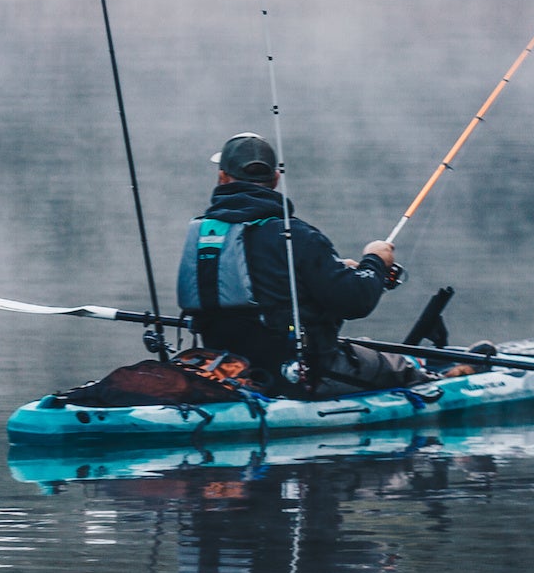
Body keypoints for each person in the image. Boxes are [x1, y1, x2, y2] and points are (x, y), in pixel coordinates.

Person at [177, 133, 425, 396]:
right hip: (298, 375)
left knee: (366, 349)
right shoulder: (295, 236)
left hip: (221, 370)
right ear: (275, 179)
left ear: (222, 177)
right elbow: (356, 301)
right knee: (404, 369)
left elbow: (262, 277)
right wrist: (376, 260)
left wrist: (337, 267)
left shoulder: (203, 236)